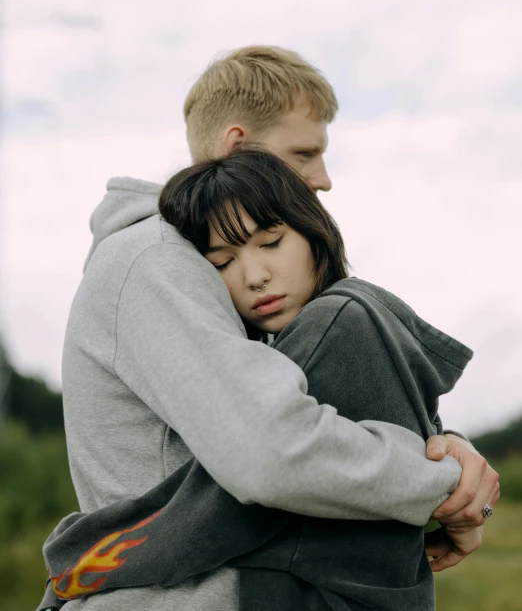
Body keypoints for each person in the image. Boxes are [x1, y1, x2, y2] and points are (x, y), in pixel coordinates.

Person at [38, 46, 499, 611]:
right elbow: (269, 450)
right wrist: (443, 485)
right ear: (238, 147)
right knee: (351, 313)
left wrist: (441, 448)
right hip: (185, 593)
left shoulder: (217, 274)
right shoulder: (155, 260)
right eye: (303, 152)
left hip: (236, 579)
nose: (322, 179)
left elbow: (318, 409)